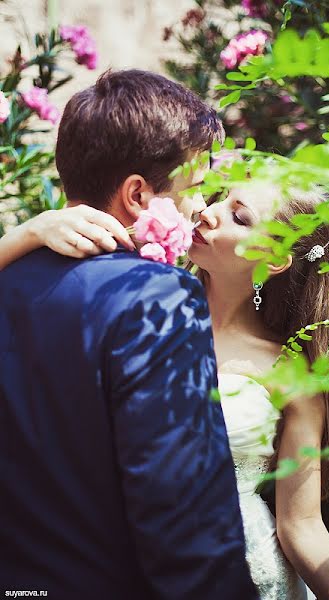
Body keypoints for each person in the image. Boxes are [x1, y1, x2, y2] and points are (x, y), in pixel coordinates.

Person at [0, 70, 259, 600]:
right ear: (138, 194)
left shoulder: (10, 278)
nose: (197, 210)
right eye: (193, 190)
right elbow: (182, 508)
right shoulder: (156, 295)